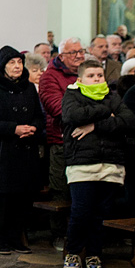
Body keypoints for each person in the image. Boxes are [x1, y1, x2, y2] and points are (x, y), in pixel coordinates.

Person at [61, 60, 135, 268]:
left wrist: (95, 125)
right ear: (81, 79)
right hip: (82, 162)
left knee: (101, 213)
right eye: (91, 76)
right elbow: (72, 116)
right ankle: (73, 252)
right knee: (81, 211)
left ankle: (95, 254)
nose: (96, 79)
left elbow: (129, 121)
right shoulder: (72, 95)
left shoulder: (113, 95)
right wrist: (107, 112)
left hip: (110, 163)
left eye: (99, 76)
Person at [0, 46, 45, 255]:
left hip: (26, 149)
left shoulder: (29, 88)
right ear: (3, 66)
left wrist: (33, 127)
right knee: (2, 198)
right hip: (2, 152)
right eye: (12, 63)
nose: (17, 67)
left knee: (22, 198)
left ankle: (17, 238)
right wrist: (13, 129)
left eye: (19, 62)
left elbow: (38, 116)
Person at [39, 37, 84, 216]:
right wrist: (92, 112)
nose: (79, 56)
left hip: (89, 142)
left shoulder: (88, 72)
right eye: (73, 52)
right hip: (61, 139)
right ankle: (59, 233)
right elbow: (59, 109)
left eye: (81, 51)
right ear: (62, 55)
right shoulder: (50, 76)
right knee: (61, 189)